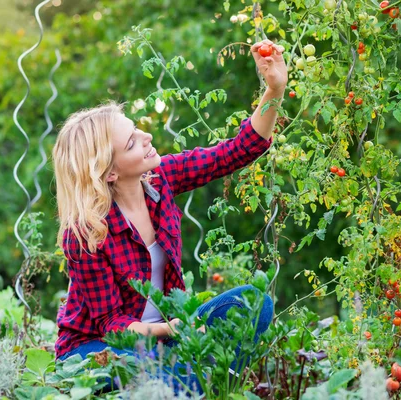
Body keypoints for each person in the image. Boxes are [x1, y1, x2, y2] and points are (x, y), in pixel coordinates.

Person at [51, 39, 287, 395]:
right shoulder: (85, 234)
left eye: (136, 130)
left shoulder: (162, 179)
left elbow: (236, 152)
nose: (146, 137)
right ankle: (188, 385)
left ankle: (185, 385)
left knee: (254, 304)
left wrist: (274, 88)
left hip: (164, 341)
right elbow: (112, 326)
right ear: (109, 172)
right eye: (132, 142)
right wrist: (171, 330)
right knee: (134, 368)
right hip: (97, 350)